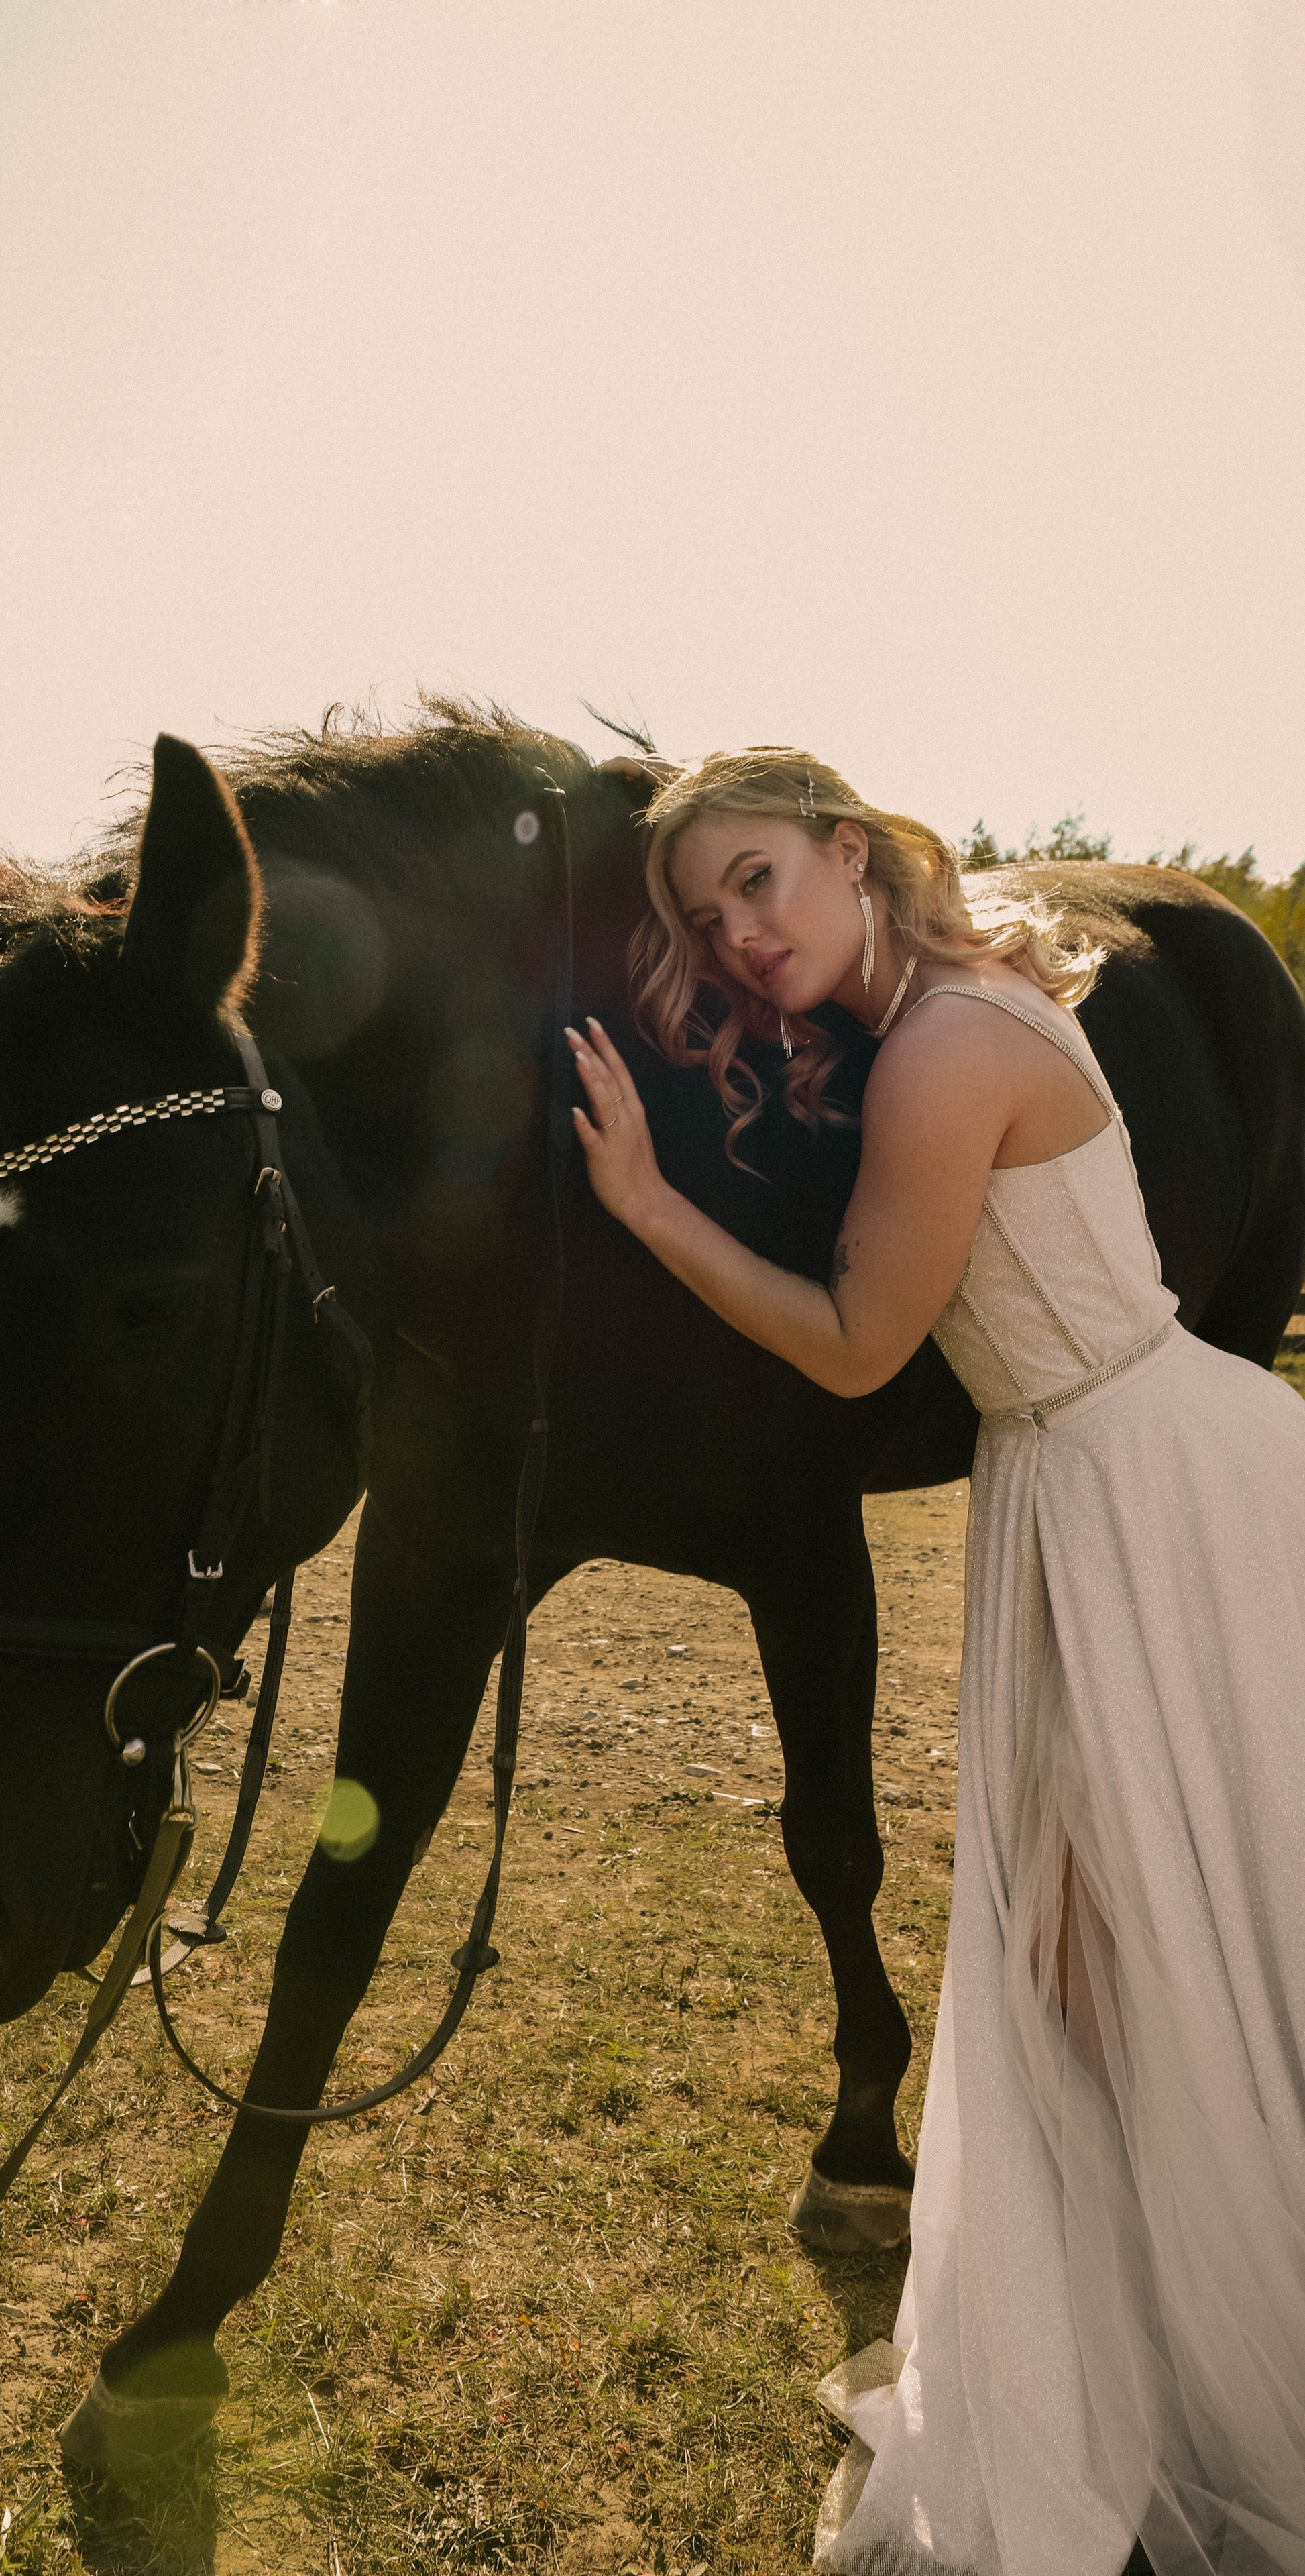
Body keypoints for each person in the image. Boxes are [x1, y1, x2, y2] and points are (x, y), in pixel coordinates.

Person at [566, 748, 1305, 2576]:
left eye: (756, 881)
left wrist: (649, 1204)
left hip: (1139, 1493)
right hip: (1088, 1480)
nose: (738, 938)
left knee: (1170, 1936)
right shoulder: (949, 1009)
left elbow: (853, 1347)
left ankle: (1220, 2363)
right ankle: (1160, 2343)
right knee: (1102, 1950)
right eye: (705, 919)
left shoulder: (945, 1051)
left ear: (848, 850)